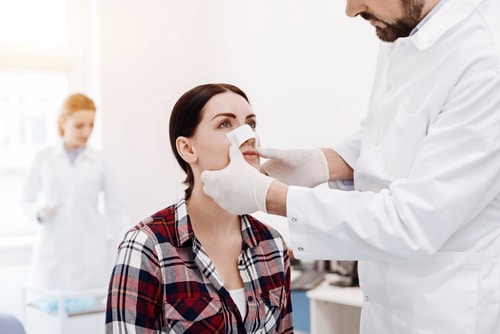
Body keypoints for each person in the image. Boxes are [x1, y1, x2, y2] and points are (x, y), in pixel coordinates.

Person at [200, 0, 500, 333]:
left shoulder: (486, 56)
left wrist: (270, 196)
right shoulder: (401, 28)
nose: (351, 9)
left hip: (446, 313)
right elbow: (390, 136)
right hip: (385, 308)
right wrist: (327, 163)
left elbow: (413, 221)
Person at [105, 83, 293, 333]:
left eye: (251, 124)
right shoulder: (147, 247)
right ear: (188, 148)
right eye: (225, 124)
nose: (247, 135)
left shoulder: (273, 245)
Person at [21, 93, 128, 298]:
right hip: (52, 253)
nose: (86, 132)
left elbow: (117, 209)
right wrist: (39, 213)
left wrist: (124, 250)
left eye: (91, 125)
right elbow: (26, 201)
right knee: (50, 323)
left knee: (86, 321)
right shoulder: (43, 158)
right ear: (62, 122)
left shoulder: (100, 160)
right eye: (79, 126)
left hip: (89, 255)